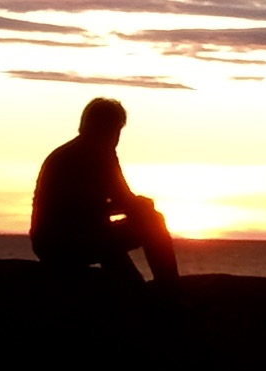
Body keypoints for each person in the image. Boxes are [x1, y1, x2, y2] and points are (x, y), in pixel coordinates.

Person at [29, 94, 182, 287]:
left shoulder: (72, 152)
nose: (116, 138)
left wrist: (135, 205)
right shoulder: (95, 155)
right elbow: (123, 201)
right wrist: (143, 206)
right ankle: (170, 288)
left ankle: (140, 292)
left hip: (57, 241)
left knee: (119, 260)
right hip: (69, 242)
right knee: (153, 220)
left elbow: (108, 203)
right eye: (115, 130)